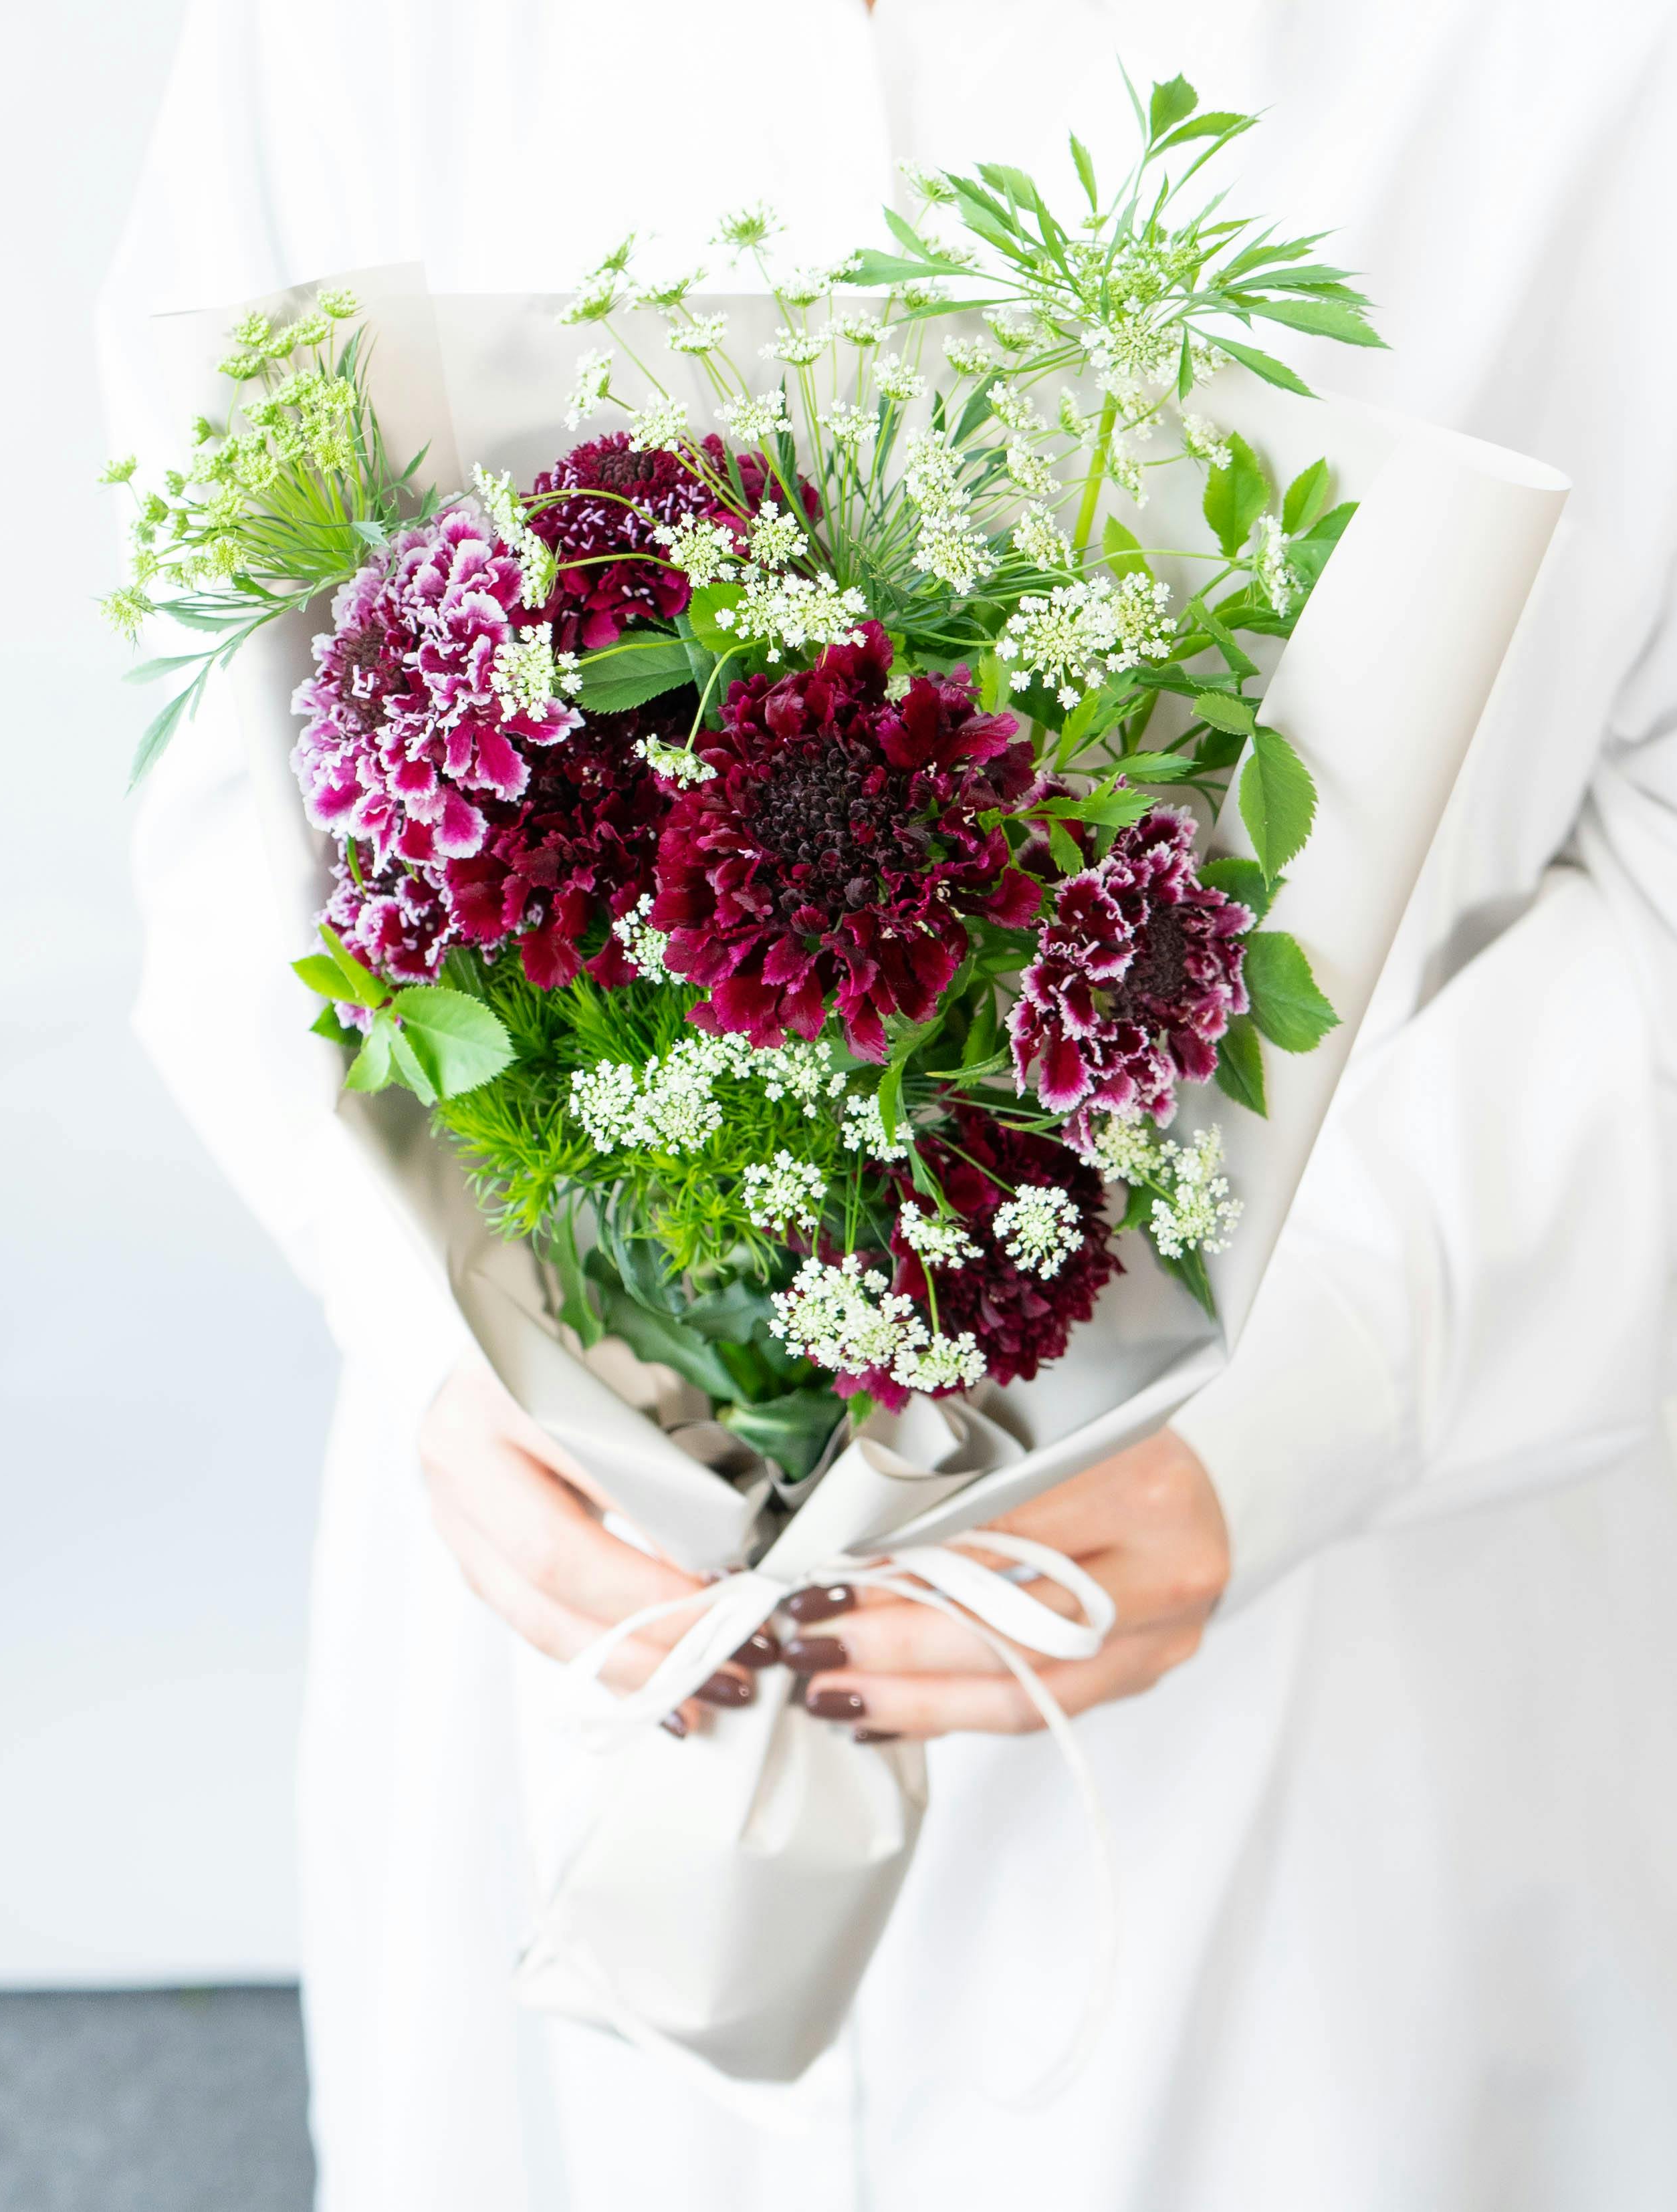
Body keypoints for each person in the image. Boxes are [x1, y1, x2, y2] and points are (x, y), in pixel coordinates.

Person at [103, 2, 1677, 2205]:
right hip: (578, 1610)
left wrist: (1328, 1380)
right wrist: (449, 1324)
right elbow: (228, 756)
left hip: (1343, 1679)